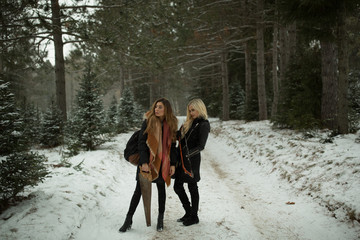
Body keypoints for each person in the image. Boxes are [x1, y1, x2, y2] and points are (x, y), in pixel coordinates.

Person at [119, 98, 178, 232]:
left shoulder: (171, 124)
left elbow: (173, 146)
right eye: (156, 107)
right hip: (147, 162)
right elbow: (141, 143)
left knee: (161, 189)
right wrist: (144, 162)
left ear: (166, 109)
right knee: (138, 191)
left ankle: (160, 219)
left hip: (163, 162)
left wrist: (173, 164)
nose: (156, 109)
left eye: (160, 107)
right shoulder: (148, 121)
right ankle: (128, 220)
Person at [174, 98, 210, 226]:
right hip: (181, 160)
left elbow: (201, 146)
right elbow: (177, 136)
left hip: (192, 161)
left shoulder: (204, 124)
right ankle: (188, 212)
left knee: (192, 187)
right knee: (177, 186)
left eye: (193, 110)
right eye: (190, 110)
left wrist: (187, 155)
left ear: (200, 109)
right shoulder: (188, 123)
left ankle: (194, 216)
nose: (191, 112)